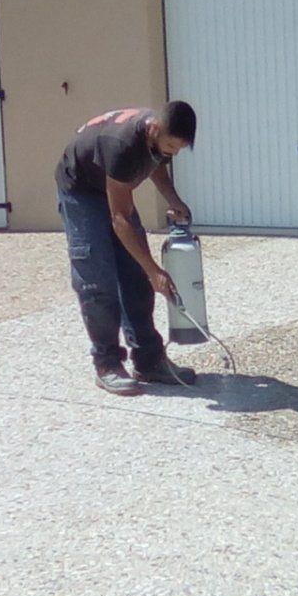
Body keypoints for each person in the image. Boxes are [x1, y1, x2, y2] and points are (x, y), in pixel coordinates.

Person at [53, 101, 199, 395]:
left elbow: (156, 165)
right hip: (81, 189)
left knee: (135, 277)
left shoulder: (157, 138)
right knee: (98, 280)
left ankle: (149, 361)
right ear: (154, 129)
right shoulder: (122, 144)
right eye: (172, 146)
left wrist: (174, 200)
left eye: (179, 149)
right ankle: (107, 364)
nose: (174, 153)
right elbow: (120, 218)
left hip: (112, 184)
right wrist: (154, 270)